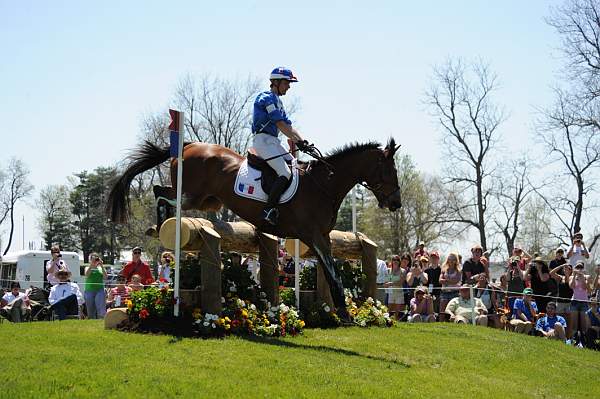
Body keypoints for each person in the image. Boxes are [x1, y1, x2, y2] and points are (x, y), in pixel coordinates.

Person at [251, 66, 306, 226]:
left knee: (295, 167)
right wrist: (297, 141)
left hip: (273, 142)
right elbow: (280, 124)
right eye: (287, 83)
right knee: (285, 172)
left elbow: (289, 126)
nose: (289, 86)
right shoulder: (265, 98)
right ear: (276, 82)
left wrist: (303, 141)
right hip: (262, 141)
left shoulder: (278, 101)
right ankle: (268, 210)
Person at [569, 261, 592, 342]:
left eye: (581, 267)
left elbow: (585, 287)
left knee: (584, 324)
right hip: (574, 301)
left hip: (584, 302)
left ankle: (583, 341)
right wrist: (575, 274)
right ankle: (574, 340)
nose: (579, 269)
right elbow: (571, 286)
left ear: (583, 268)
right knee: (574, 324)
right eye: (577, 267)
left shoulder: (587, 276)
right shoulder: (572, 277)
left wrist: (581, 276)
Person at [550, 262, 574, 338]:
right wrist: (561, 266)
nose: (566, 269)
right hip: (560, 302)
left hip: (568, 303)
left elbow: (567, 282)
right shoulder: (560, 277)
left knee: (568, 321)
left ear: (571, 270)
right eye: (565, 268)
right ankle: (558, 335)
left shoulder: (572, 278)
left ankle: (568, 337)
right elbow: (551, 273)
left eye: (569, 268)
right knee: (558, 319)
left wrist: (567, 273)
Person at [439, 252, 462, 322]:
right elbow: (440, 280)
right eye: (450, 259)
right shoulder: (444, 269)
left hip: (454, 293)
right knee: (442, 310)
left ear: (456, 260)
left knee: (454, 310)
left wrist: (446, 280)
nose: (451, 261)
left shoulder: (458, 270)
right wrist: (450, 280)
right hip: (444, 292)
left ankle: (455, 323)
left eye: (453, 259)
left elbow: (456, 280)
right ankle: (440, 323)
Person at [84, 253, 107, 319]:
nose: (94, 260)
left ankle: (101, 319)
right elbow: (87, 275)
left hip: (99, 290)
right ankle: (91, 320)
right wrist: (92, 265)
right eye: (92, 259)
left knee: (101, 307)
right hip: (89, 290)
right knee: (90, 309)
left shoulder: (100, 268)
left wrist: (102, 265)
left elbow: (105, 277)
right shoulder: (87, 267)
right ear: (90, 260)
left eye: (96, 258)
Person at [385, 254, 407, 319]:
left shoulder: (403, 271)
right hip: (390, 293)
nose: (395, 261)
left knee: (397, 312)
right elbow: (386, 282)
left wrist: (391, 283)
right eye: (394, 259)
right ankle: (388, 322)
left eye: (397, 260)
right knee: (388, 310)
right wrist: (387, 284)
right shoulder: (388, 270)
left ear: (399, 261)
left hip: (399, 293)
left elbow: (400, 282)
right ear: (392, 261)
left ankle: (396, 322)